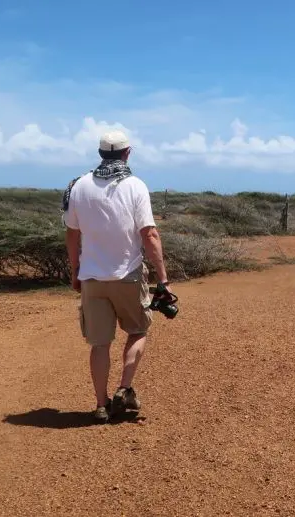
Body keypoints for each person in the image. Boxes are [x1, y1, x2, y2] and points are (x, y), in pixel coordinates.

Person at [62, 130, 172, 423]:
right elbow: (149, 234)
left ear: (101, 154)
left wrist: (75, 271)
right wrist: (163, 279)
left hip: (92, 279)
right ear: (127, 153)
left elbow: (72, 235)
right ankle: (124, 388)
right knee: (138, 330)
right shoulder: (135, 186)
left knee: (99, 344)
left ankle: (100, 405)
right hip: (127, 275)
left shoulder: (79, 186)